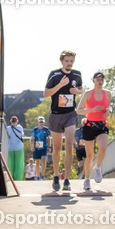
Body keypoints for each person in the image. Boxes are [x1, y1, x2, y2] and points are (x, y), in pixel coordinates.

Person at [44, 50, 83, 192]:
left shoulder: (77, 74)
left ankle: (66, 179)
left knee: (69, 146)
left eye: (71, 61)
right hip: (56, 114)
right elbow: (46, 93)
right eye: (67, 61)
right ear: (62, 61)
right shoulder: (54, 74)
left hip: (70, 114)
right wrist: (60, 85)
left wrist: (77, 92)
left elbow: (80, 89)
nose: (69, 63)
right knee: (56, 148)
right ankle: (55, 175)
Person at [76, 71, 111, 191]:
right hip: (89, 126)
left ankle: (98, 167)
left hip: (101, 125)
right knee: (89, 155)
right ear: (93, 81)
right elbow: (79, 110)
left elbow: (108, 108)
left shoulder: (108, 93)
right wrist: (93, 109)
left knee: (103, 148)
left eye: (102, 79)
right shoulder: (87, 94)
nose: (100, 81)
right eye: (98, 79)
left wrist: (108, 112)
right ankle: (86, 179)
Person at [5, 116, 25, 182]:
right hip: (19, 147)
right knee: (19, 162)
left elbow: (7, 136)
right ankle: (18, 177)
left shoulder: (8, 128)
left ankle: (10, 176)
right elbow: (22, 136)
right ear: (17, 121)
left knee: (10, 162)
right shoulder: (20, 127)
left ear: (11, 121)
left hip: (10, 147)